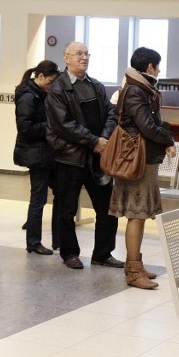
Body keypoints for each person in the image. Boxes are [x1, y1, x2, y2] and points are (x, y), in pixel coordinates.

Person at [45, 41, 123, 270]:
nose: (84, 57)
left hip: (97, 157)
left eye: (86, 53)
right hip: (70, 157)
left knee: (107, 208)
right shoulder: (58, 89)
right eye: (78, 54)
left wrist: (104, 138)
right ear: (66, 58)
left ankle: (103, 253)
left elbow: (112, 112)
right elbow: (63, 125)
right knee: (67, 209)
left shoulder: (96, 85)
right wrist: (94, 141)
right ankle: (69, 253)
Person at [108, 47, 176, 289]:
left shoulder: (141, 88)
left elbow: (152, 123)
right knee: (136, 215)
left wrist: (166, 138)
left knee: (140, 214)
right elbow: (147, 126)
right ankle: (133, 271)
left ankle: (135, 264)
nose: (159, 70)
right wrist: (167, 139)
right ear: (150, 67)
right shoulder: (137, 90)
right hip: (137, 160)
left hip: (144, 158)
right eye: (158, 65)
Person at [13, 60, 61, 255]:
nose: (51, 87)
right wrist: (52, 126)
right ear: (39, 77)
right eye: (49, 82)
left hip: (46, 153)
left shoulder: (40, 93)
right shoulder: (28, 96)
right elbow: (26, 128)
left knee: (60, 193)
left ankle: (59, 239)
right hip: (36, 154)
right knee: (38, 199)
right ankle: (33, 242)